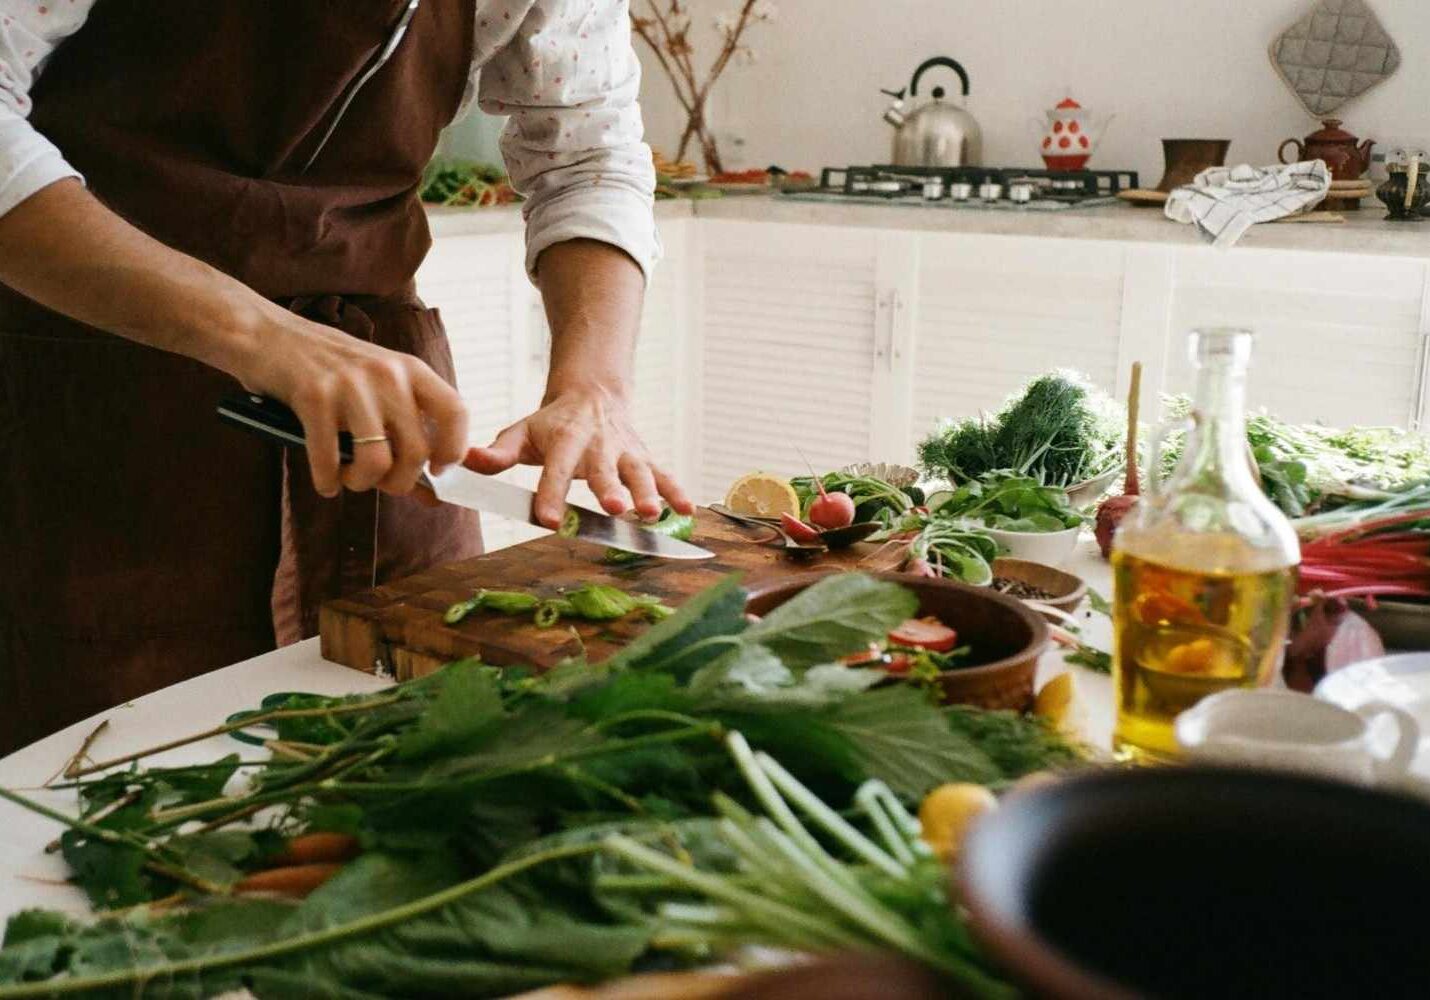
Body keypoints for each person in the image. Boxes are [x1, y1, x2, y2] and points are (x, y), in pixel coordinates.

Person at [0, 0, 692, 754]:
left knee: (419, 744)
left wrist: (593, 384)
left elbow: (588, 154)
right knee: (96, 774)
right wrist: (262, 335)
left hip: (386, 420)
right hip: (83, 391)